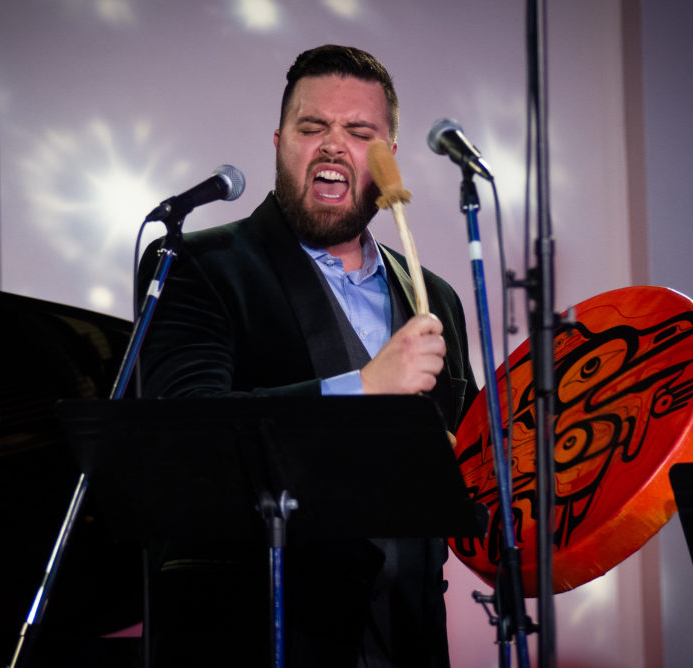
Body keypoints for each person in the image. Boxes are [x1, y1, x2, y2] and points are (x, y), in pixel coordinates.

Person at [139, 44, 479, 667]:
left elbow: (473, 466)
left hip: (410, 640)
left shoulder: (439, 300)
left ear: (387, 159)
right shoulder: (196, 265)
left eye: (358, 131)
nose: (332, 146)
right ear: (279, 142)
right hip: (258, 636)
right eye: (312, 127)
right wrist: (366, 386)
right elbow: (183, 435)